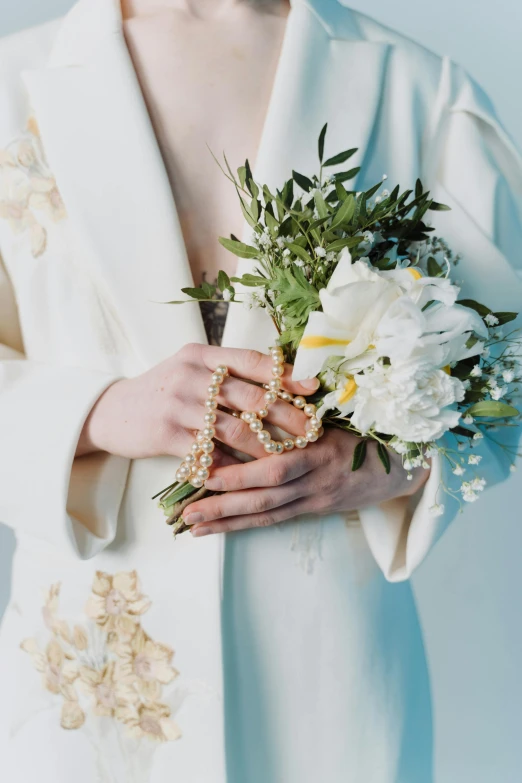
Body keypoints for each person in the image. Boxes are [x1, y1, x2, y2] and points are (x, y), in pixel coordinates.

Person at [0, 0, 521, 780]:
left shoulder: (422, 92)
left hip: (329, 672)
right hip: (88, 676)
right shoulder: (12, 85)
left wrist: (392, 465)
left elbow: (502, 378)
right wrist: (103, 410)